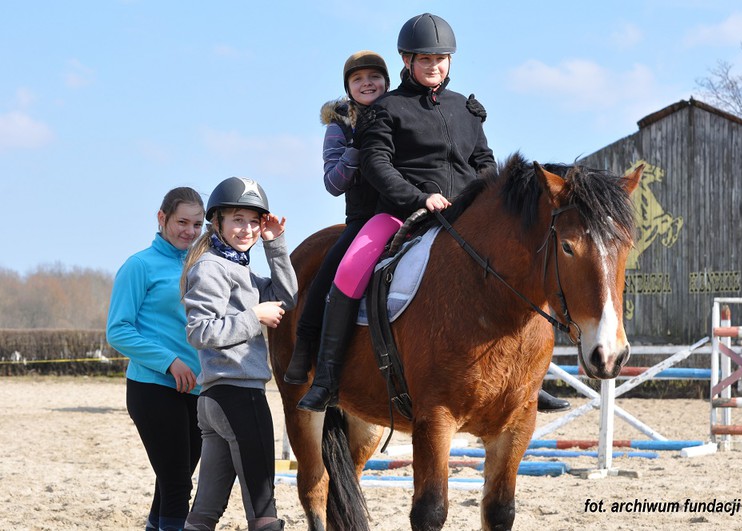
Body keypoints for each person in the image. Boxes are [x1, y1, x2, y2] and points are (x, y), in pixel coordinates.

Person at [299, 13, 570, 413]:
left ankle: (528, 380)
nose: (434, 66)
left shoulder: (466, 109)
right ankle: (326, 377)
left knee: (525, 264)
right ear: (407, 61)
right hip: (400, 214)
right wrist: (419, 198)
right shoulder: (385, 109)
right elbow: (377, 164)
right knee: (349, 271)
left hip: (466, 214)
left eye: (441, 59)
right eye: (425, 59)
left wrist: (482, 201)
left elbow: (483, 161)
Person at [181, 176, 297, 531]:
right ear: (217, 222)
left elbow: (287, 297)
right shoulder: (211, 268)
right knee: (263, 508)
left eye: (253, 221)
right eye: (237, 220)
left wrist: (274, 244)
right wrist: (254, 317)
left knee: (205, 510)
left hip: (219, 399)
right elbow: (200, 331)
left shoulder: (241, 269)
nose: (246, 229)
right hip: (237, 396)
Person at [283, 50, 389, 385]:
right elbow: (332, 183)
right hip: (363, 217)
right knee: (331, 269)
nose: (367, 83)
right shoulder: (339, 126)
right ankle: (305, 346)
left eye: (373, 77)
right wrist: (358, 148)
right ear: (348, 87)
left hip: (407, 208)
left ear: (386, 81)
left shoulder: (401, 112)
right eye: (358, 79)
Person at [106, 187, 206, 531]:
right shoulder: (139, 266)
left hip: (197, 390)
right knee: (178, 483)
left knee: (170, 481)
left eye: (197, 224)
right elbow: (118, 330)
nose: (189, 231)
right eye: (182, 221)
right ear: (161, 218)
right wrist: (169, 361)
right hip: (153, 388)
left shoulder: (200, 266)